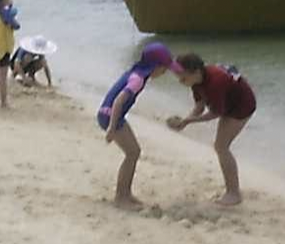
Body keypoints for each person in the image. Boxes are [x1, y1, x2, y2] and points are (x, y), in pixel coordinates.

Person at [97, 43, 182, 209]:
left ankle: (125, 193)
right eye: (164, 69)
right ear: (155, 67)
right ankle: (121, 196)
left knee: (133, 152)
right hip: (110, 116)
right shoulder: (137, 79)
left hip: (111, 115)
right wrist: (112, 128)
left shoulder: (136, 73)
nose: (165, 73)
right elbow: (118, 101)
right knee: (132, 153)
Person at [166, 54, 256, 206]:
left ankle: (234, 193)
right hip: (228, 103)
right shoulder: (195, 81)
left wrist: (188, 121)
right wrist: (186, 120)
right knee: (220, 146)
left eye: (182, 78)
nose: (180, 82)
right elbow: (200, 105)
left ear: (195, 71)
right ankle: (232, 190)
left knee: (221, 146)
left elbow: (215, 113)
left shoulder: (216, 81)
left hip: (243, 105)